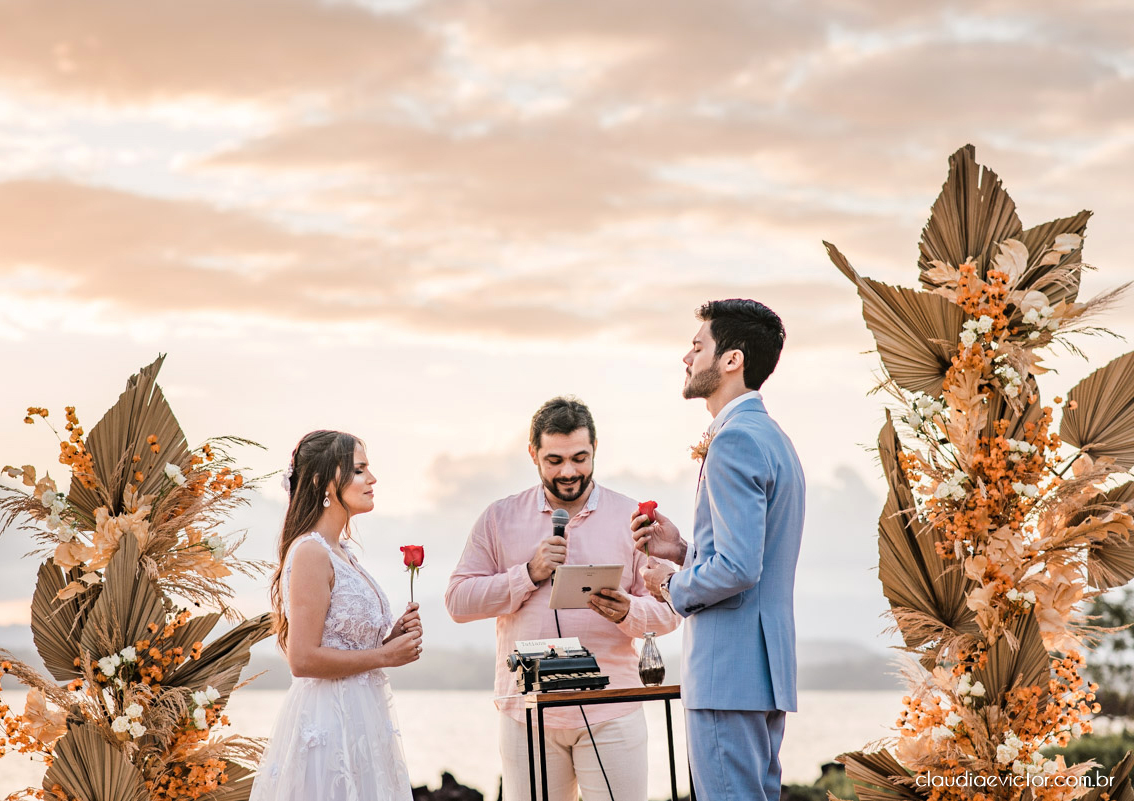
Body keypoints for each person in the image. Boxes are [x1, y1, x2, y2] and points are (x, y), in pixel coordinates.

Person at [445, 397, 680, 801]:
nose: (569, 471)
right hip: (527, 711)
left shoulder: (632, 518)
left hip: (613, 709)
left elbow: (671, 611)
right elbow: (458, 602)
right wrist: (527, 574)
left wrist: (630, 612)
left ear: (595, 449)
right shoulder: (498, 518)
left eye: (579, 457)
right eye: (554, 460)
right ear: (533, 453)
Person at [636, 299, 805, 801]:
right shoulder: (773, 437)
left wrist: (667, 584)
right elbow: (752, 556)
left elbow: (737, 566)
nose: (686, 359)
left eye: (697, 346)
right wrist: (683, 551)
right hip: (763, 670)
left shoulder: (734, 440)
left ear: (732, 360)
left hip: (726, 671)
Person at [250, 430, 423, 801]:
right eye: (359, 470)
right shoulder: (311, 552)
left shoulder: (342, 551)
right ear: (322, 481)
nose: (372, 479)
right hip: (330, 723)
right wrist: (386, 657)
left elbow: (343, 640)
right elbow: (302, 658)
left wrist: (391, 637)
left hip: (364, 720)